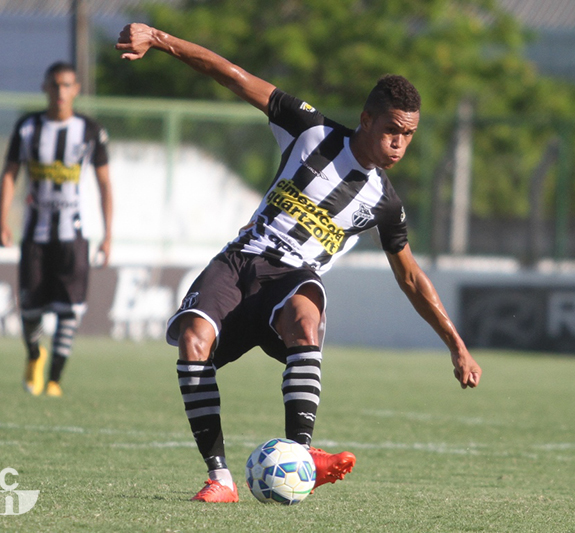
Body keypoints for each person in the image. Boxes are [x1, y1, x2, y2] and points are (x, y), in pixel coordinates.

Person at [116, 23, 481, 503]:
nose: (399, 144)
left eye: (408, 135)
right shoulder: (310, 130)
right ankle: (220, 478)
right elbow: (231, 74)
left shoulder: (385, 204)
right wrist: (159, 39)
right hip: (239, 262)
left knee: (307, 319)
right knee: (192, 340)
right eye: (392, 130)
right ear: (366, 119)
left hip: (292, 278)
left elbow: (411, 276)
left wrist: (455, 343)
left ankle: (302, 456)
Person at [0, 61, 113, 398]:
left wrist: (108, 235)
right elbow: (9, 174)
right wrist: (2, 221)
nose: (61, 92)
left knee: (69, 309)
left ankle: (55, 380)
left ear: (76, 89)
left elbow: (106, 184)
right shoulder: (28, 127)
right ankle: (34, 355)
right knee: (30, 309)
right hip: (35, 232)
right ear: (45, 88)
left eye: (67, 86)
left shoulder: (90, 130)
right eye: (55, 85)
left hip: (74, 235)